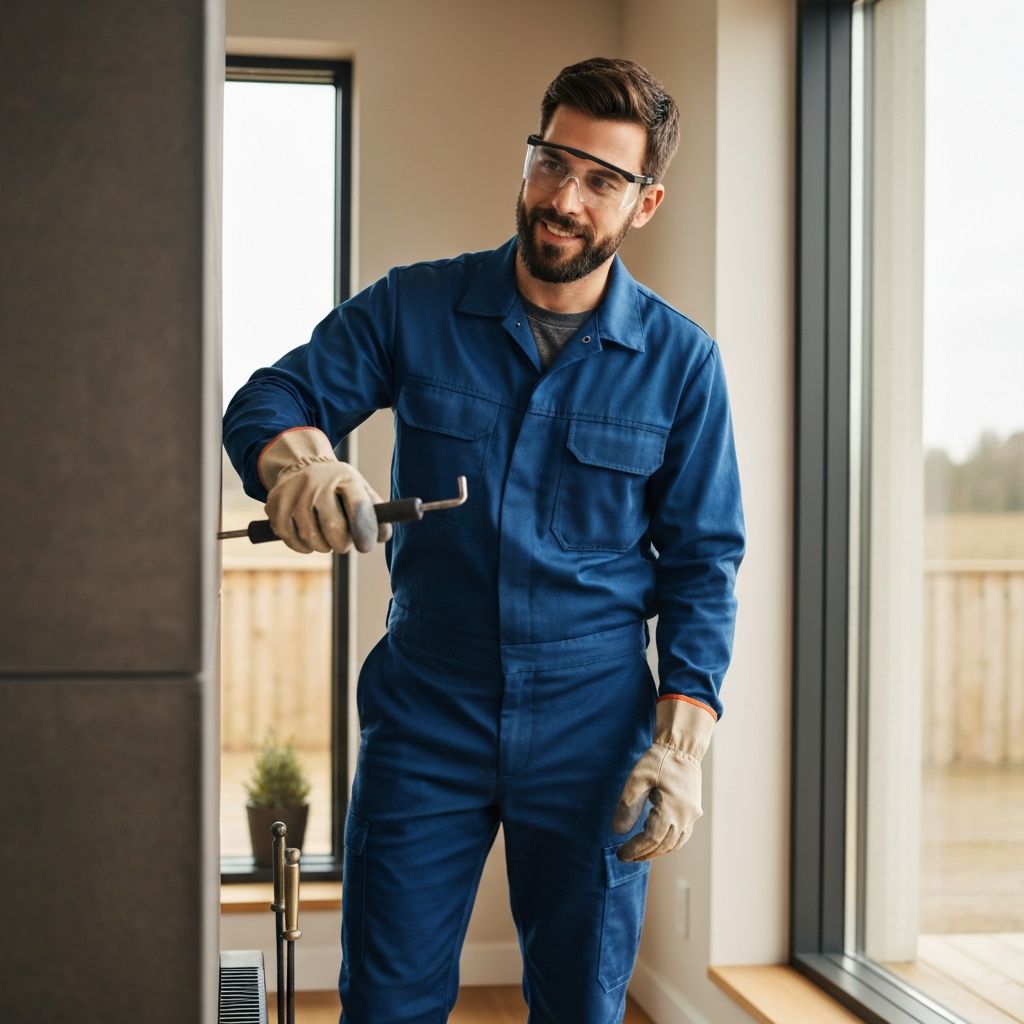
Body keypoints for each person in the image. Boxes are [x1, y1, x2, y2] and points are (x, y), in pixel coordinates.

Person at [223, 56, 744, 1024]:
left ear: (644, 204)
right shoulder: (414, 306)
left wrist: (682, 745)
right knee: (387, 999)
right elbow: (271, 395)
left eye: (601, 180)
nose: (563, 197)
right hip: (430, 705)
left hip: (595, 720)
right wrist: (301, 462)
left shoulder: (681, 363)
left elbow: (705, 564)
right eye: (552, 160)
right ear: (531, 155)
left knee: (581, 1001)